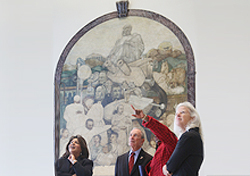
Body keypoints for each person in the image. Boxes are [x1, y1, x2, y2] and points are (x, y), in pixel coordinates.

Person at [131, 105, 178, 176]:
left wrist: (145, 118)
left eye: (156, 132)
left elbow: (162, 131)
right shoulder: (159, 148)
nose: (155, 134)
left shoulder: (170, 143)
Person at [162, 102, 204, 176]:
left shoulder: (188, 137)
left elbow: (170, 167)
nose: (178, 115)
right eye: (176, 113)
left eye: (182, 112)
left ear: (193, 118)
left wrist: (165, 167)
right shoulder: (194, 136)